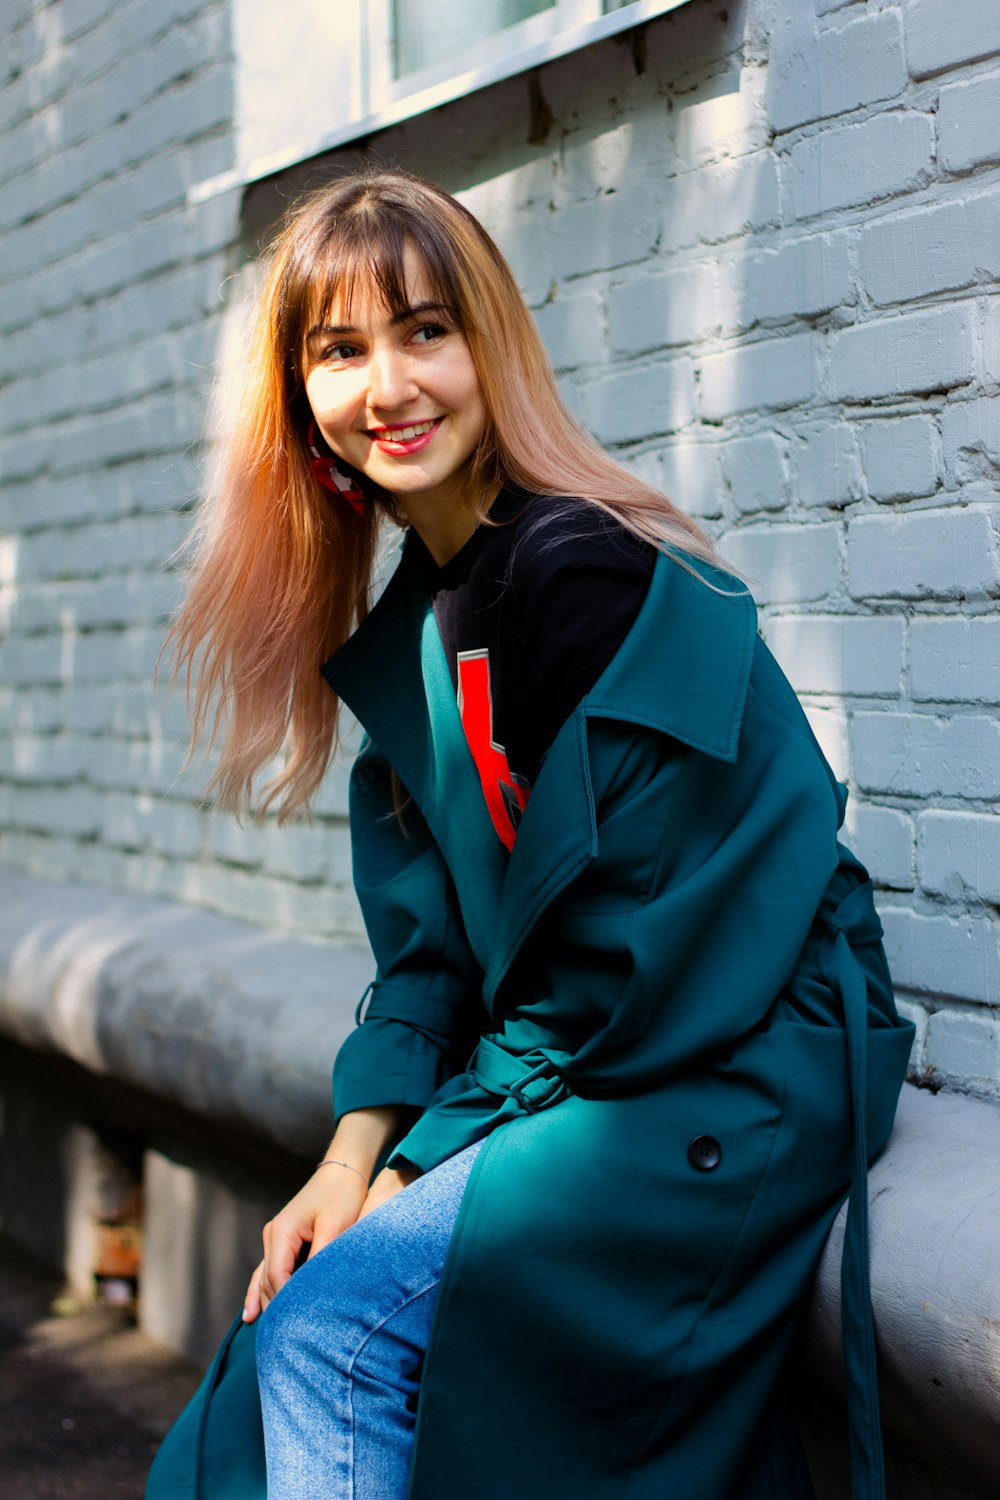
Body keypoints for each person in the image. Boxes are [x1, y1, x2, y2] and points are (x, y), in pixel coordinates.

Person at [150, 168, 914, 1500]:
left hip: (730, 1047)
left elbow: (634, 953)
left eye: (425, 330)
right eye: (341, 349)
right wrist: (352, 1159)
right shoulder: (410, 638)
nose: (388, 384)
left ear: (489, 343)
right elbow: (431, 958)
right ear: (303, 396)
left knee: (337, 1335)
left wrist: (415, 1166)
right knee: (279, 1335)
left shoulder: (589, 573)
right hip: (596, 1059)